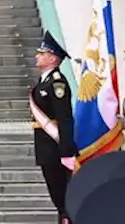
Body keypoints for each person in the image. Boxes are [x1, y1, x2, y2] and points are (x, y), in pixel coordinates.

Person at [30, 31, 77, 224]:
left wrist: (66, 149)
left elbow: (65, 117)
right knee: (56, 194)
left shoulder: (57, 83)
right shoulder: (45, 81)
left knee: (62, 193)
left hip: (55, 147)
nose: (37, 56)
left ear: (52, 58)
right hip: (45, 147)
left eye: (41, 53)